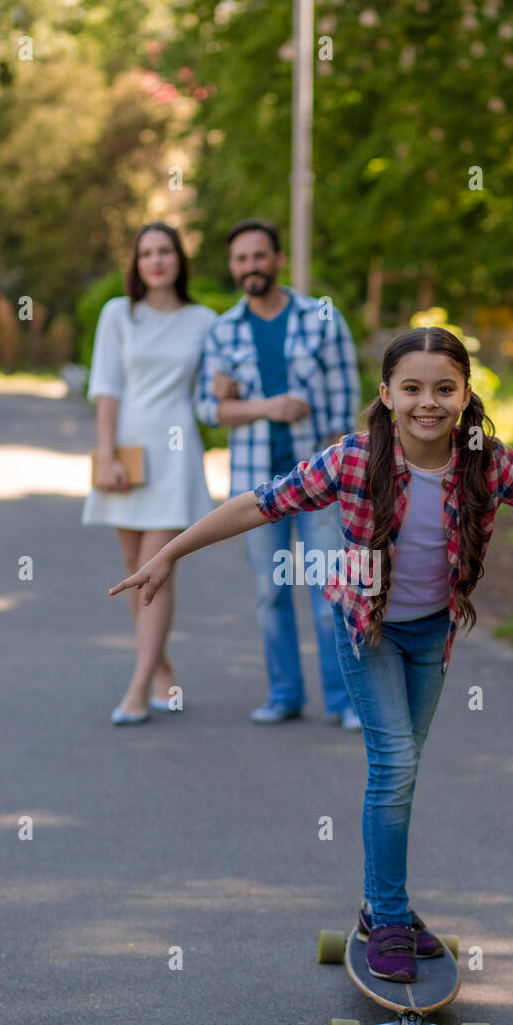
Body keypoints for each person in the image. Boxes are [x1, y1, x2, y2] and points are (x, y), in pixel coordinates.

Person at [109, 325, 513, 979]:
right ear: (386, 393)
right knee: (396, 763)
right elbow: (260, 506)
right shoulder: (351, 458)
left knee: (401, 771)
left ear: (464, 394)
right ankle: (393, 917)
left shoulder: (486, 461)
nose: (427, 402)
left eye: (443, 388)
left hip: (432, 631)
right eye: (411, 388)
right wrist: (169, 554)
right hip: (367, 629)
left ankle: (381, 910)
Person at [195, 219, 362, 729]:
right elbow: (209, 410)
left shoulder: (322, 317)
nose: (251, 267)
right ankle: (284, 694)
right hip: (254, 485)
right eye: (241, 259)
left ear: (278, 259)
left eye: (259, 256)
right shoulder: (223, 330)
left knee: (330, 589)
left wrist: (343, 469)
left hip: (318, 481)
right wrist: (267, 406)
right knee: (271, 592)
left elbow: (345, 398)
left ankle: (347, 701)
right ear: (233, 266)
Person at [82, 222, 218, 725]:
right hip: (127, 450)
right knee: (132, 567)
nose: (156, 260)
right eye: (146, 253)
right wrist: (107, 454)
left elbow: (213, 390)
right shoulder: (119, 313)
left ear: (180, 260)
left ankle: (137, 688)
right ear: (136, 263)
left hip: (176, 453)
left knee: (154, 572)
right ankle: (163, 673)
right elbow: (106, 388)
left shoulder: (205, 319)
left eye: (165, 251)